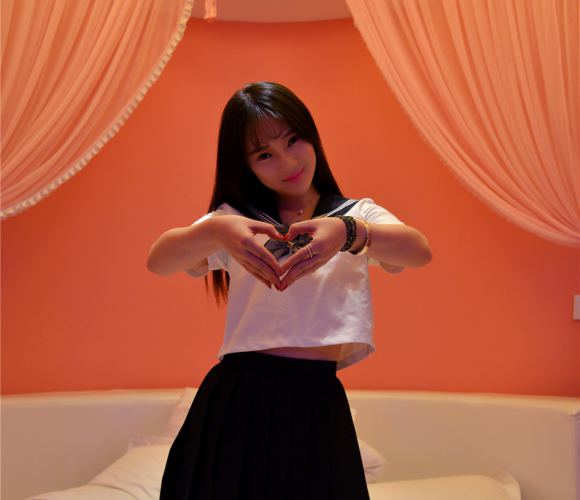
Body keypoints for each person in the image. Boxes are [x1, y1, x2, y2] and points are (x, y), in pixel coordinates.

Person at [147, 81, 432, 500]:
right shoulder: (236, 221)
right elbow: (159, 260)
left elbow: (418, 251)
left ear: (311, 134)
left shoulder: (355, 215)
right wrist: (216, 230)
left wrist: (349, 232)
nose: (287, 161)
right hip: (241, 397)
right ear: (245, 166)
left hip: (318, 396)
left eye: (293, 140)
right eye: (264, 155)